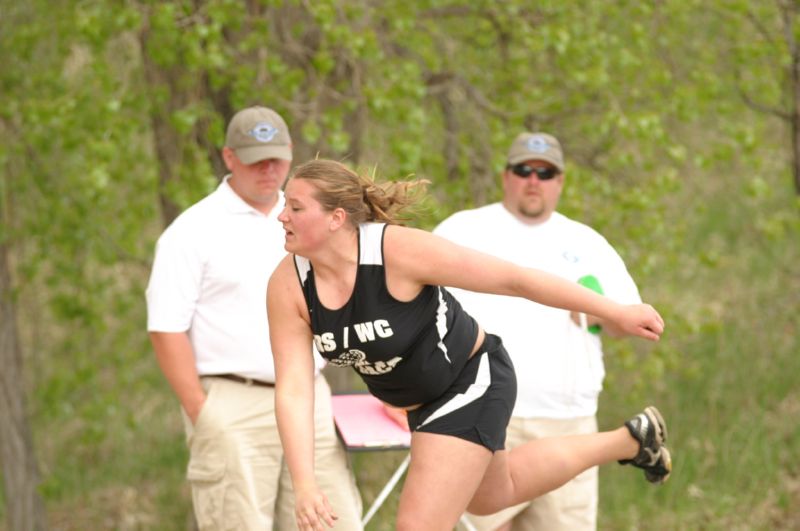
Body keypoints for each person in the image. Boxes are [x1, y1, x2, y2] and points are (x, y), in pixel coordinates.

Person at [266, 159, 672, 531]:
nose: (282, 215)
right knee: (493, 495)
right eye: (286, 205)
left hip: (470, 379)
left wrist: (617, 311)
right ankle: (630, 440)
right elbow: (295, 388)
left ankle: (628, 440)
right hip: (420, 401)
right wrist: (305, 484)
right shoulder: (288, 286)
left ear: (336, 218)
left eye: (296, 208)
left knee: (417, 527)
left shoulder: (397, 251)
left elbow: (516, 280)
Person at [145, 108, 362, 530]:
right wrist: (202, 412)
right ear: (229, 157)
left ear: (291, 155)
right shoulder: (190, 232)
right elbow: (165, 328)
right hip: (233, 404)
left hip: (309, 398)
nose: (268, 169)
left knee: (334, 522)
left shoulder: (313, 219)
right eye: (254, 158)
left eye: (276, 158)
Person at [435, 132, 648, 530]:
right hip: (483, 417)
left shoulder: (587, 242)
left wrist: (600, 313)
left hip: (567, 422)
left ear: (561, 181)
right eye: (524, 170)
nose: (534, 180)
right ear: (506, 176)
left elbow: (626, 322)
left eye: (546, 172)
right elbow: (419, 310)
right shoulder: (462, 229)